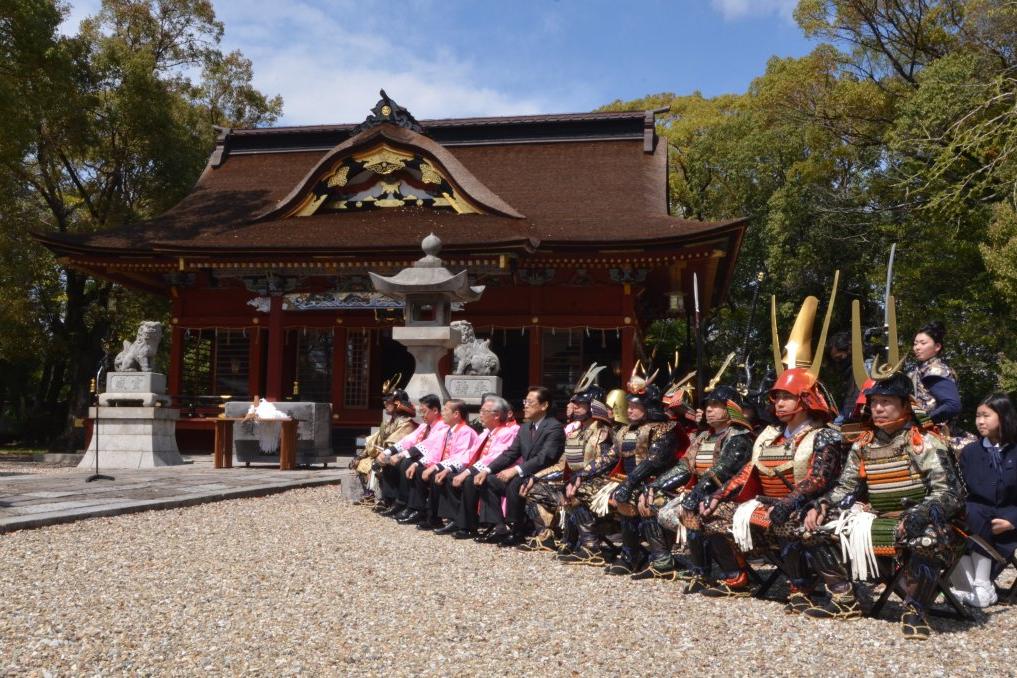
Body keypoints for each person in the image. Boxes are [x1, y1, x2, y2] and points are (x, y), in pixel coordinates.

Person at [802, 370, 965, 640]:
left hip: (924, 520)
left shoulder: (923, 441)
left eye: (886, 402)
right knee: (809, 529)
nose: (878, 408)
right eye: (874, 402)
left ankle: (915, 608)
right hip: (876, 518)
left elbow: (949, 492)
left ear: (905, 405)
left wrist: (920, 514)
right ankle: (844, 598)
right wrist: (820, 505)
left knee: (927, 540)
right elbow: (845, 488)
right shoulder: (862, 445)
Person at [652, 385, 755, 586]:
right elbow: (684, 466)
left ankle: (732, 573)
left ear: (731, 408)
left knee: (696, 514)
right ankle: (677, 564)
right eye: (708, 405)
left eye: (716, 405)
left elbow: (722, 471)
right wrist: (655, 486)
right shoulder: (703, 436)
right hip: (700, 494)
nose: (709, 409)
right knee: (652, 503)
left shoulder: (738, 437)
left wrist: (697, 495)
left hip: (729, 496)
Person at [517, 370, 614, 552]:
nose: (574, 406)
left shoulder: (605, 433)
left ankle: (590, 547)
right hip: (573, 481)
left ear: (593, 406)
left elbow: (606, 462)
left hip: (601, 483)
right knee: (533, 488)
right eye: (574, 403)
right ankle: (546, 537)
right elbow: (562, 465)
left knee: (577, 492)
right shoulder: (575, 433)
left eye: (580, 404)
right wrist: (535, 477)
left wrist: (581, 477)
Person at [473, 386, 565, 546]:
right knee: (487, 480)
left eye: (530, 402)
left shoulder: (554, 427)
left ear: (544, 405)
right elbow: (510, 453)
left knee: (515, 481)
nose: (525, 405)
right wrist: (487, 470)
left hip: (545, 474)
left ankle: (516, 531)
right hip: (526, 472)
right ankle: (499, 527)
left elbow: (545, 458)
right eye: (525, 401)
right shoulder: (525, 428)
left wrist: (516, 470)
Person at [953, 392, 1017, 607]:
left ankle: (974, 588)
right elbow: (960, 490)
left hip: (1007, 521)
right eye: (978, 416)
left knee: (976, 515)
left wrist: (1013, 520)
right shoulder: (970, 452)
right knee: (964, 516)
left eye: (986, 415)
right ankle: (978, 586)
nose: (980, 421)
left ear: (1003, 416)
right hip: (975, 520)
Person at [436, 396, 519, 538]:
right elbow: (469, 454)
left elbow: (493, 458)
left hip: (497, 472)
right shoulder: (486, 433)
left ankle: (469, 525)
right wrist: (449, 468)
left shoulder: (507, 433)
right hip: (481, 470)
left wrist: (467, 472)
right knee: (449, 476)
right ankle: (456, 518)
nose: (480, 414)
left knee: (469, 480)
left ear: (497, 415)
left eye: (484, 411)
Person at [399, 398, 478, 528]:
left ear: (456, 414)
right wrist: (418, 464)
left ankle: (436, 517)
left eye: (446, 409)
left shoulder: (466, 431)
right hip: (445, 466)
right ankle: (418, 509)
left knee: (436, 473)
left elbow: (460, 457)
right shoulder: (447, 431)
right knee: (417, 470)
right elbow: (435, 451)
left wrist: (437, 467)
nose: (443, 412)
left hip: (459, 468)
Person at [374, 394, 449, 518]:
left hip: (433, 459)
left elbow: (428, 446)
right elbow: (408, 440)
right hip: (418, 455)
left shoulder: (443, 427)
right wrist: (388, 452)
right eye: (420, 412)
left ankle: (408, 504)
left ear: (435, 410)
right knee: (388, 461)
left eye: (424, 412)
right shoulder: (425, 426)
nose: (422, 415)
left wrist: (402, 455)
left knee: (405, 463)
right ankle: (392, 500)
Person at [908, 321, 972, 448]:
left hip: (938, 438)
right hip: (921, 434)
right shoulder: (917, 371)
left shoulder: (935, 370)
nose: (917, 347)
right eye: (915, 344)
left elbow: (952, 405)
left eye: (923, 343)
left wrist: (924, 422)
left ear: (937, 347)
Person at [351, 387, 416, 504]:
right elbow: (375, 441)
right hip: (384, 453)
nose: (385, 404)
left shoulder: (407, 423)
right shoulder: (387, 423)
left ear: (398, 404)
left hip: (399, 456)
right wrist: (360, 456)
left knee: (378, 463)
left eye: (389, 402)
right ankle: (369, 494)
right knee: (361, 462)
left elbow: (394, 445)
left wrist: (382, 453)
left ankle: (388, 499)